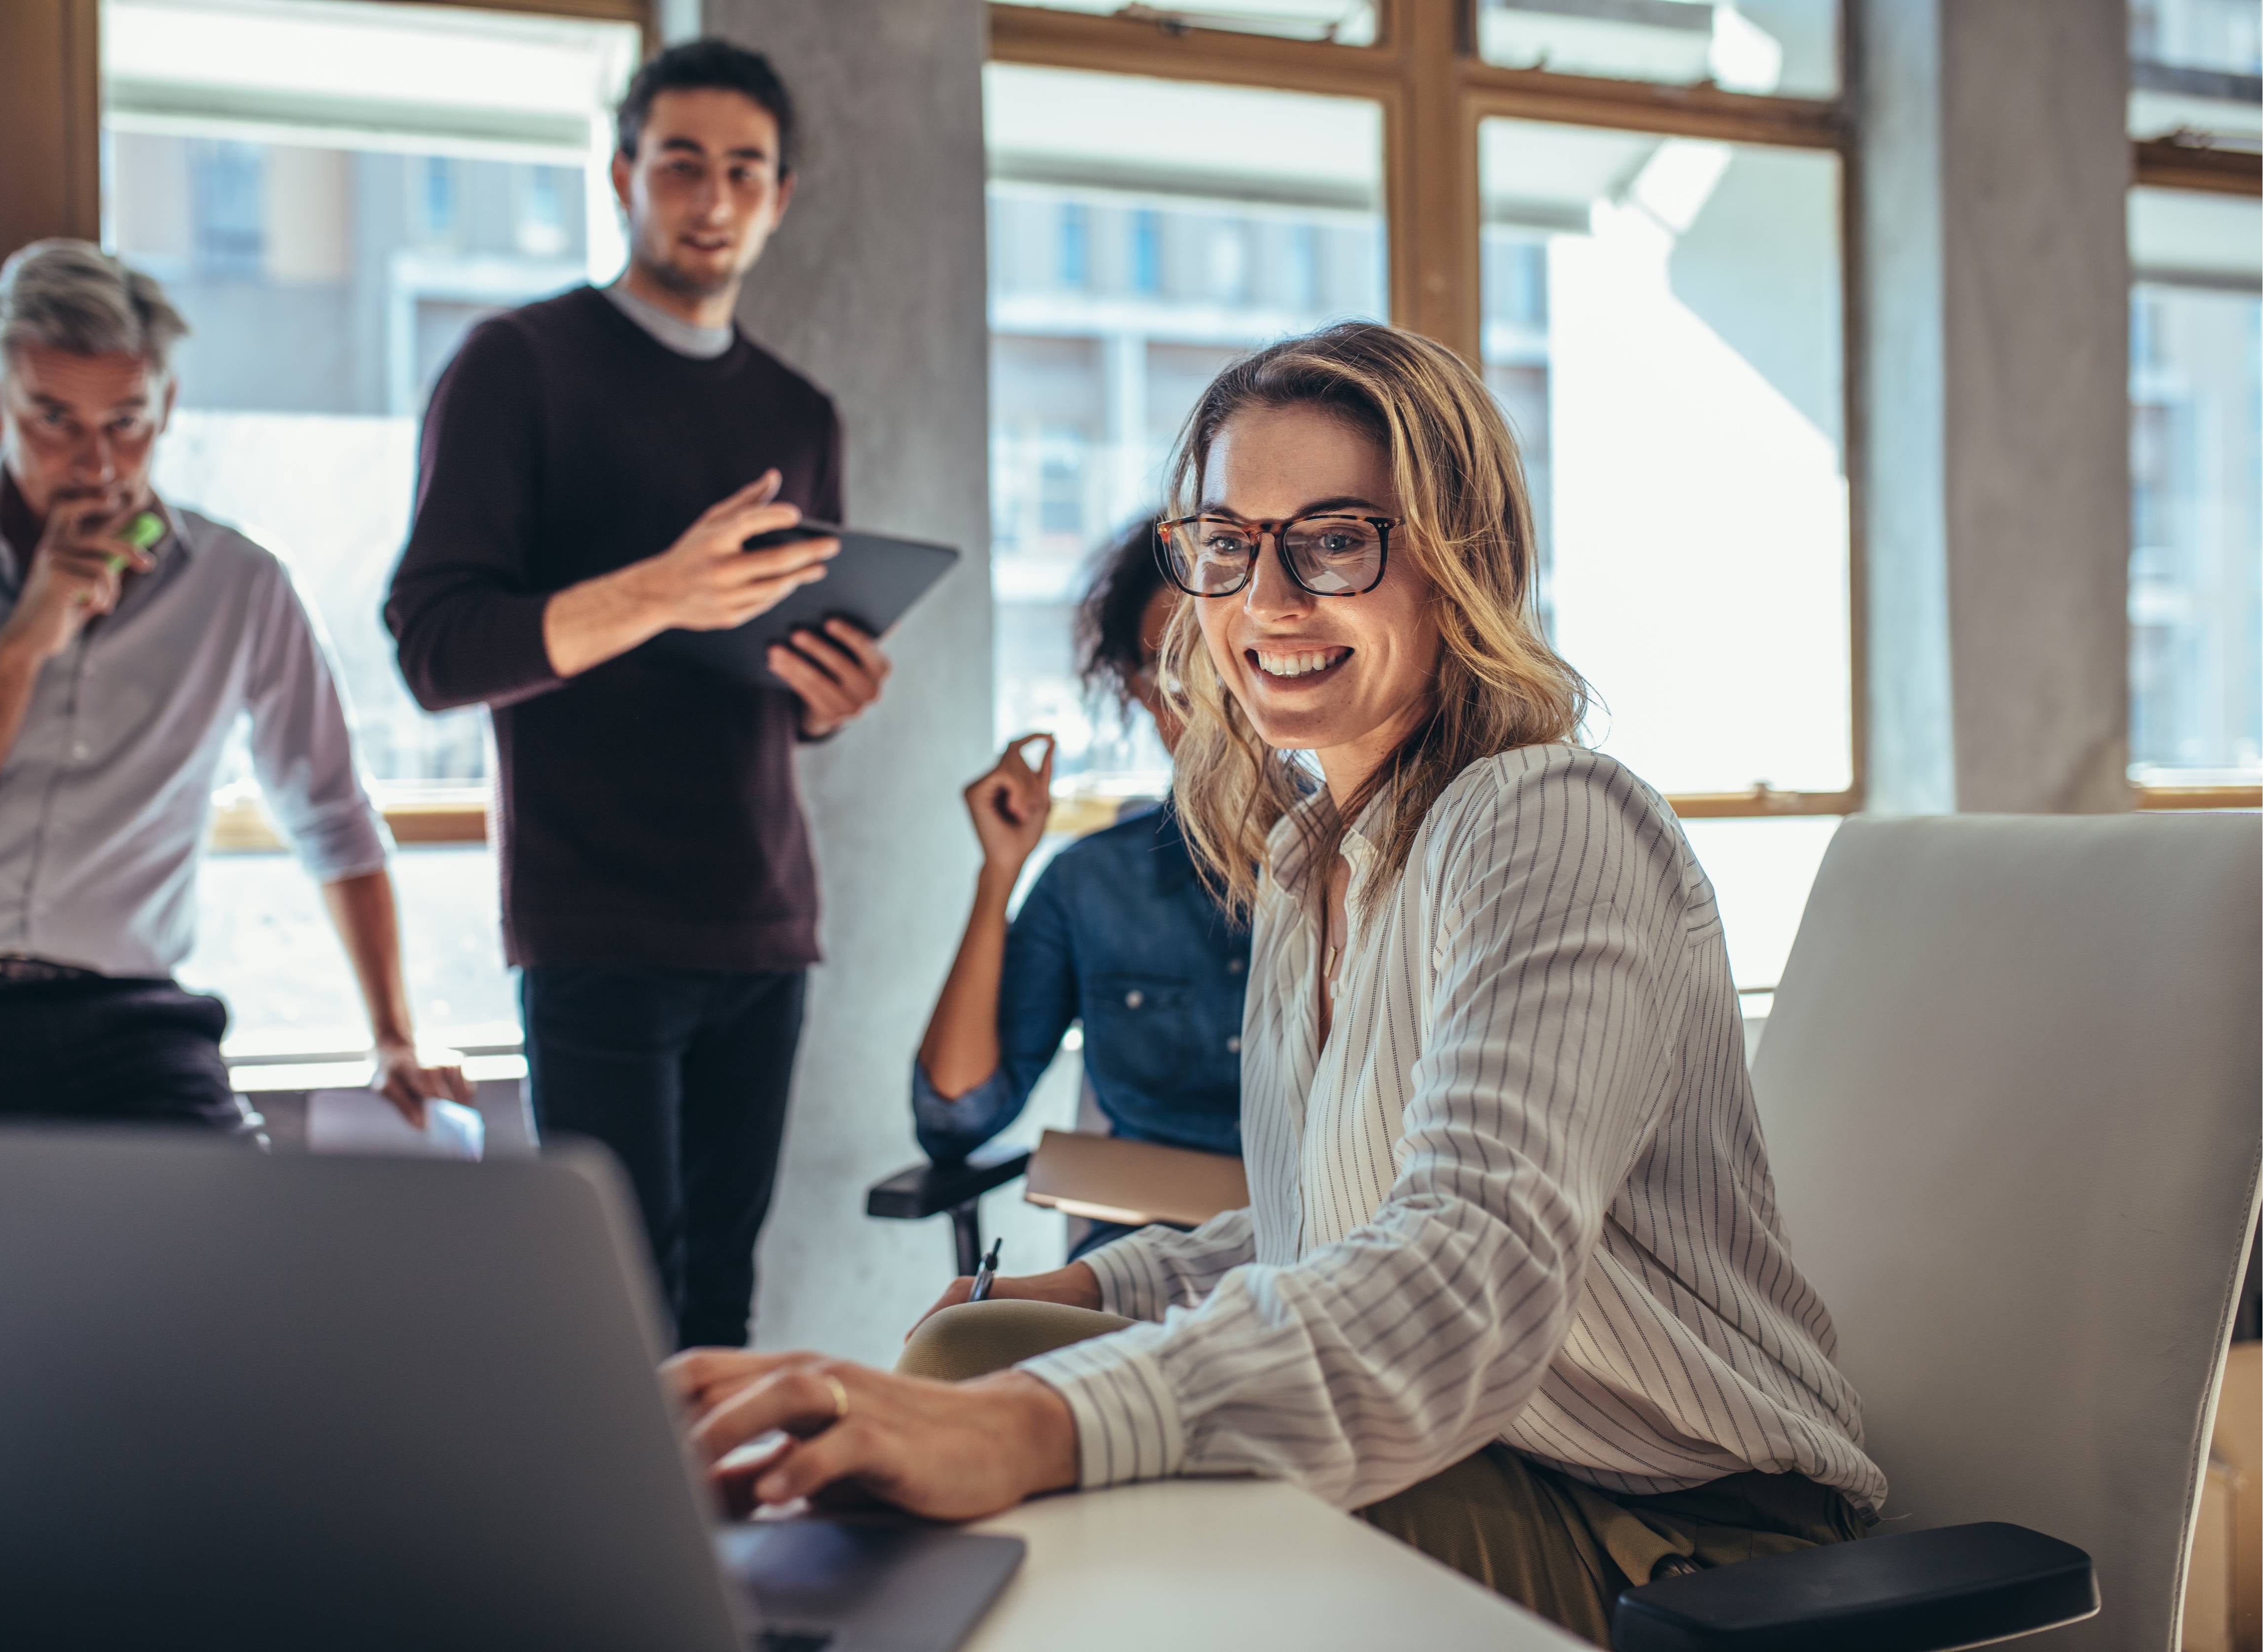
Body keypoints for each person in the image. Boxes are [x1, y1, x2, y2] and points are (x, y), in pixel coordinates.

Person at [666, 323, 1884, 1647]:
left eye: (1336, 538)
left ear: (1461, 560)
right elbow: (1326, 1222)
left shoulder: (1552, 819)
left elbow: (1462, 1268)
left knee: (1090, 1488)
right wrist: (1097, 1292)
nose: (1267, 601)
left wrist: (1040, 1420)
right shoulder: (1310, 862)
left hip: (1672, 1524)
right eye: (1229, 543)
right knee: (973, 1350)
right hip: (1490, 1456)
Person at [383, 40, 888, 1351]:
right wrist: (659, 587)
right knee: (619, 1316)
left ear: (781, 197)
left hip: (765, 916)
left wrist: (828, 692)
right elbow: (437, 646)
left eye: (743, 171)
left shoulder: (800, 408)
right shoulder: (519, 364)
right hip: (593, 917)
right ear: (621, 174)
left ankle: (719, 1565)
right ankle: (624, 1563)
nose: (711, 198)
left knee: (722, 1308)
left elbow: (771, 671)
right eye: (680, 163)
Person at [0, 239, 466, 1133]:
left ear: (168, 406)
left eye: (127, 422)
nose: (97, 465)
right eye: (55, 420)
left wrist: (395, 1036)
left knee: (225, 1254)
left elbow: (331, 813)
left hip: (124, 1016)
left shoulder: (241, 584)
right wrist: (27, 635)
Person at [912, 519, 1245, 1256]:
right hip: (1135, 1266)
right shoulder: (1092, 883)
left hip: (1323, 1266)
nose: (1204, 701)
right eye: (1170, 673)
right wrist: (999, 872)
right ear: (1135, 689)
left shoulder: (1369, 863)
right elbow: (955, 1115)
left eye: (1222, 662)